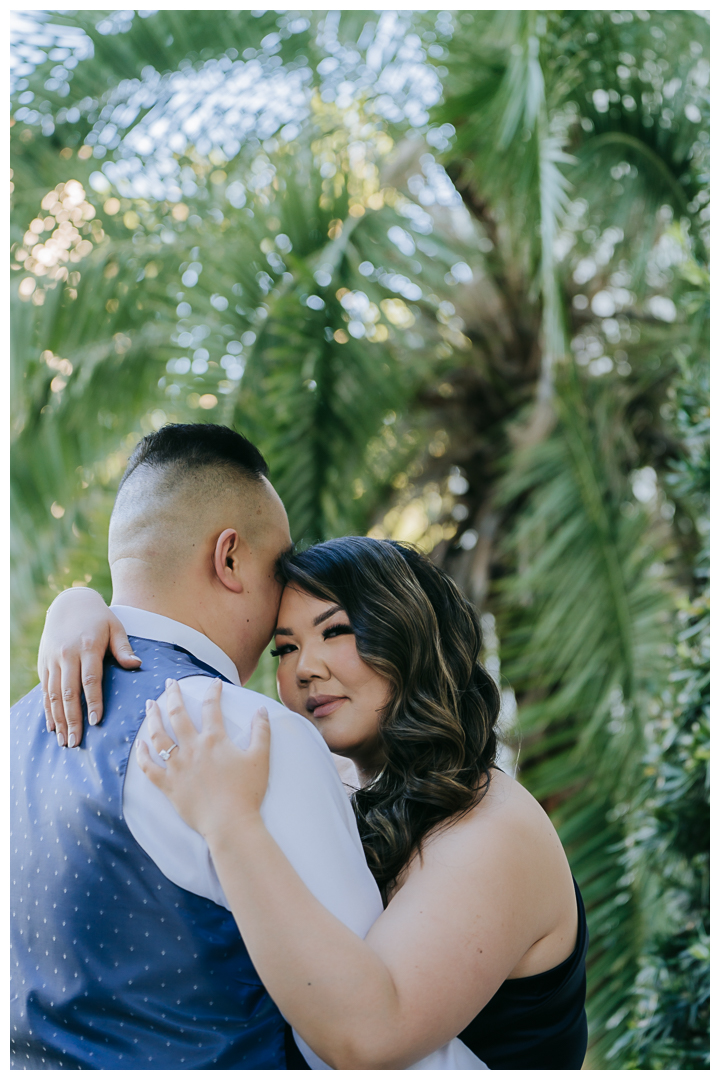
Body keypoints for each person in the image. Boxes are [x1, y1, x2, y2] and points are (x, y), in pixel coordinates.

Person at [12, 423, 480, 1070]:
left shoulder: (15, 731)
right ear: (229, 558)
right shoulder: (242, 732)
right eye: (278, 568)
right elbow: (371, 1044)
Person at [37, 532, 589, 1068]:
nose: (304, 668)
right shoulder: (336, 790)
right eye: (286, 647)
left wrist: (229, 822)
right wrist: (77, 606)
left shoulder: (494, 827)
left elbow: (369, 1038)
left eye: (336, 631)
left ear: (410, 634)